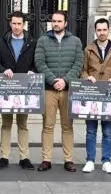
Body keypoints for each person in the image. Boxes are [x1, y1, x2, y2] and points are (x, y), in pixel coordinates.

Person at [34, 11, 84, 172]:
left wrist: (65, 80)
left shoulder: (75, 41)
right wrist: (53, 80)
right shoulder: (42, 40)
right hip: (49, 89)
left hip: (68, 89)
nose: (56, 23)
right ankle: (46, 159)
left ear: (65, 23)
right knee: (48, 126)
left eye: (59, 21)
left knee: (67, 126)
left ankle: (68, 159)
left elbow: (79, 63)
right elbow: (39, 62)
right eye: (53, 21)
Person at [0, 11, 37, 170]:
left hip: (24, 88)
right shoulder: (1, 42)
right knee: (6, 124)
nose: (16, 27)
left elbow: (36, 62)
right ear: (10, 24)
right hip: (7, 87)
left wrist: (33, 70)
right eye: (14, 23)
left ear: (24, 24)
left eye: (19, 24)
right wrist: (3, 70)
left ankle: (24, 157)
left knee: (23, 124)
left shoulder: (32, 42)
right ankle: (4, 156)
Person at [81, 18, 111, 174]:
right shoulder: (89, 49)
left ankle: (106, 161)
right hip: (93, 93)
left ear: (108, 30)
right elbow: (83, 69)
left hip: (109, 94)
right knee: (91, 130)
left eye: (104, 30)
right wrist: (87, 77)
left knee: (107, 131)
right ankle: (90, 160)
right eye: (99, 30)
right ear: (95, 31)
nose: (102, 33)